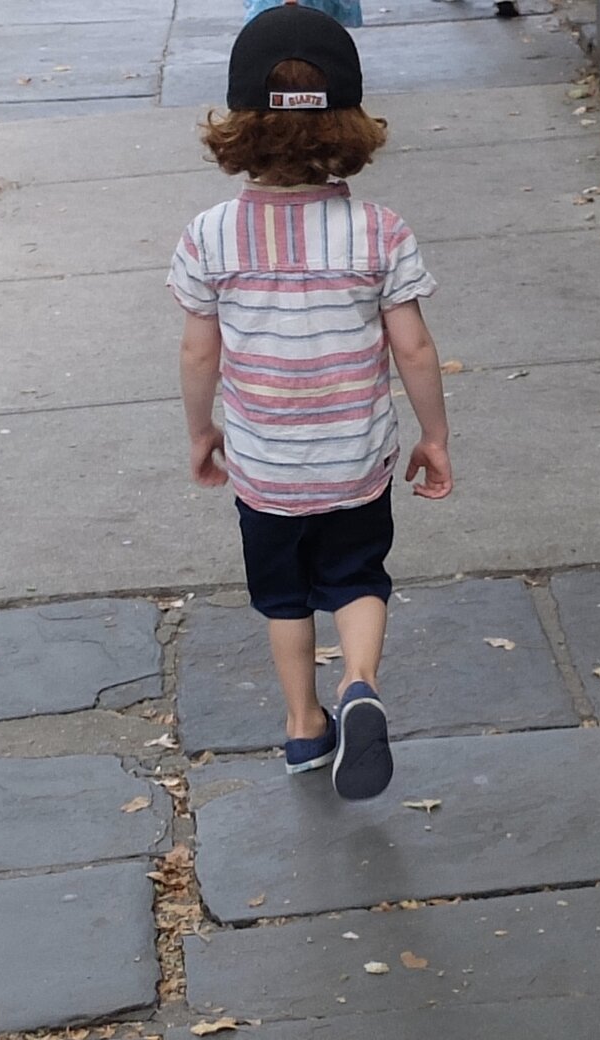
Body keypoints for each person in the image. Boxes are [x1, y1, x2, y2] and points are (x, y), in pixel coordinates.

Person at [171, 4, 452, 800]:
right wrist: (434, 436)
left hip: (266, 467)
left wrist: (202, 431)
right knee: (358, 576)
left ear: (239, 124)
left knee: (285, 597)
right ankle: (358, 683)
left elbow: (199, 350)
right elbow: (415, 348)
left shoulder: (210, 236)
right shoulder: (379, 233)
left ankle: (302, 727)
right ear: (350, 122)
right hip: (355, 459)